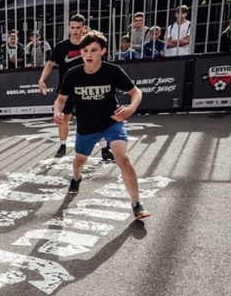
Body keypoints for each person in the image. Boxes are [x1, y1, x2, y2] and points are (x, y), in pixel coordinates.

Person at [54, 29, 150, 220]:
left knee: (122, 158)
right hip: (86, 126)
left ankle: (136, 204)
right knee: (79, 162)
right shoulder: (73, 74)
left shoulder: (112, 71)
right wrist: (57, 111)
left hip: (111, 122)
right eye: (85, 51)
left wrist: (131, 109)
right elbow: (60, 99)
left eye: (94, 50)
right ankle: (76, 177)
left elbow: (136, 92)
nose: (88, 55)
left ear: (103, 51)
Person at [39, 13, 113, 161]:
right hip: (66, 88)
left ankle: (105, 148)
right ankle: (62, 145)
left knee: (95, 117)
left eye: (78, 27)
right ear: (69, 28)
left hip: (87, 88)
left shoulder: (90, 46)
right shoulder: (61, 47)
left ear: (84, 28)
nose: (75, 30)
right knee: (64, 117)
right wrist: (42, 80)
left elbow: (102, 64)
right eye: (72, 27)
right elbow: (50, 63)